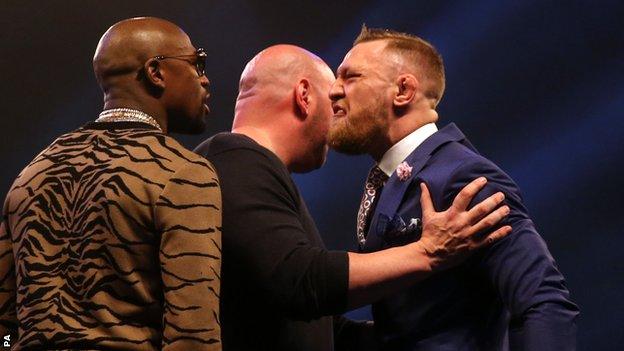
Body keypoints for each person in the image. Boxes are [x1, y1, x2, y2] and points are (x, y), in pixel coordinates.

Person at [194, 44, 512, 351]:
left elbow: (322, 329)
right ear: (304, 96)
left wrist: (437, 331)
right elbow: (299, 281)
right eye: (332, 101)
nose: (338, 115)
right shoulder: (237, 159)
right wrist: (428, 252)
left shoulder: (249, 169)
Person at [328, 26, 580, 350]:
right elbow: (415, 325)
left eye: (351, 77)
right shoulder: (389, 177)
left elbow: (544, 300)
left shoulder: (462, 177)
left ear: (403, 90)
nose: (334, 90)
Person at [0, 17, 221, 350]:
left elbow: (3, 326)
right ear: (156, 72)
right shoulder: (183, 174)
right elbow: (193, 336)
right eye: (197, 64)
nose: (204, 80)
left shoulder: (32, 174)